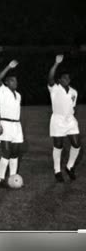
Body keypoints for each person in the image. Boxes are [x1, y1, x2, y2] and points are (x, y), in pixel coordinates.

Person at [47, 54, 81, 182]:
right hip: (57, 120)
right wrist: (56, 63)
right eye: (64, 78)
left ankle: (69, 166)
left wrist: (70, 116)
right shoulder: (54, 88)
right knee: (58, 146)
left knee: (76, 144)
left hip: (70, 120)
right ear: (59, 80)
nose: (67, 79)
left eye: (68, 78)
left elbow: (73, 106)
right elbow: (50, 77)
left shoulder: (74, 92)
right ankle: (57, 170)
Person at [0, 60, 23, 187]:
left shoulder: (18, 95)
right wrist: (8, 67)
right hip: (5, 125)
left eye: (16, 81)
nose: (15, 83)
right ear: (6, 82)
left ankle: (12, 178)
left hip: (17, 126)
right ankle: (0, 179)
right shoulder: (3, 90)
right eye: (12, 81)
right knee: (6, 153)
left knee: (15, 153)